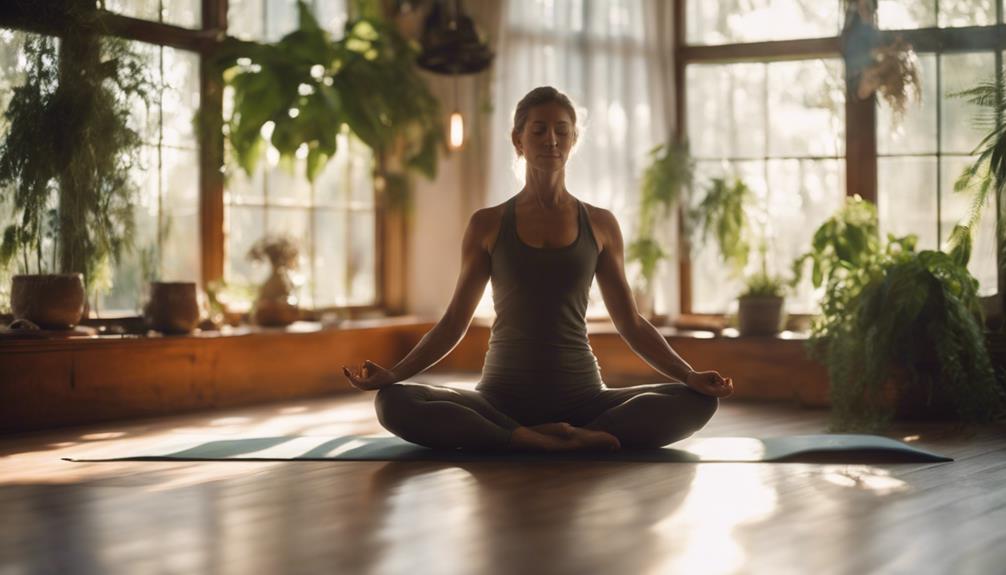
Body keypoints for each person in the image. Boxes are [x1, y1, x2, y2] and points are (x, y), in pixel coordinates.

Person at [343, 86, 733, 452]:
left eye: (562, 131)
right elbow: (453, 323)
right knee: (394, 402)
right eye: (539, 130)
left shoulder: (600, 223)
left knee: (697, 401)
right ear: (519, 140)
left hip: (584, 398)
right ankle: (532, 437)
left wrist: (689, 375)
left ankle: (557, 435)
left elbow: (630, 322)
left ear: (573, 141)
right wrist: (394, 374)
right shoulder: (488, 223)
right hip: (499, 399)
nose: (551, 140)